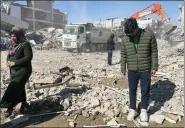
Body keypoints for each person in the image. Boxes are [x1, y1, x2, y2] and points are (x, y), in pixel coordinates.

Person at [121, 18, 158, 122]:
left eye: (131, 32)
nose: (130, 35)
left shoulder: (149, 35)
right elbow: (123, 54)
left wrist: (154, 66)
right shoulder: (125, 39)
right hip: (132, 69)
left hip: (145, 68)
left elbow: (154, 52)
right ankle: (132, 109)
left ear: (136, 28)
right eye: (128, 34)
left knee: (145, 90)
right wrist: (123, 67)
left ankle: (143, 111)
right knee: (132, 90)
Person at [0, 27, 33, 117]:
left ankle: (8, 106)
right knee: (20, 86)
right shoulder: (13, 45)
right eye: (11, 36)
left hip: (24, 70)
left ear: (19, 36)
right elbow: (9, 56)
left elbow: (28, 57)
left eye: (14, 36)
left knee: (13, 87)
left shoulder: (25, 44)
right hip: (14, 70)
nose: (12, 38)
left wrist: (15, 62)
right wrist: (8, 61)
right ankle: (23, 103)